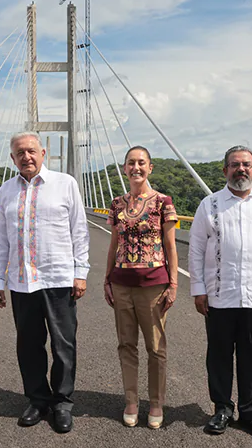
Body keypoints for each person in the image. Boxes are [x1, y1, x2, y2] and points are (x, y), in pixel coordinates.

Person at [0, 132, 90, 434]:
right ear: (12, 158)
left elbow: (79, 232)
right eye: (20, 153)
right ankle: (37, 399)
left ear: (43, 153)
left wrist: (80, 272)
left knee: (63, 345)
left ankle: (62, 402)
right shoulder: (6, 191)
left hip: (58, 278)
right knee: (29, 346)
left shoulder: (65, 184)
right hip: (22, 282)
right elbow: (0, 240)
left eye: (31, 151)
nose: (26, 157)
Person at [188, 145, 252, 441]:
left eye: (246, 164)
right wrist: (198, 290)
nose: (240, 169)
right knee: (218, 356)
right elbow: (196, 249)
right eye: (234, 165)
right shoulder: (210, 204)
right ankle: (221, 409)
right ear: (225, 171)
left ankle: (250, 413)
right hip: (220, 295)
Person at [103, 146, 179, 429]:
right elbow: (113, 245)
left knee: (156, 347)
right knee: (126, 345)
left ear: (150, 167)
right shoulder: (116, 204)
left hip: (153, 286)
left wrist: (173, 284)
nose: (136, 167)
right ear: (124, 168)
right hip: (122, 284)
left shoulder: (163, 202)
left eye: (141, 163)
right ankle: (132, 401)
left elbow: (170, 247)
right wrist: (107, 280)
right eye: (131, 163)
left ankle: (156, 403)